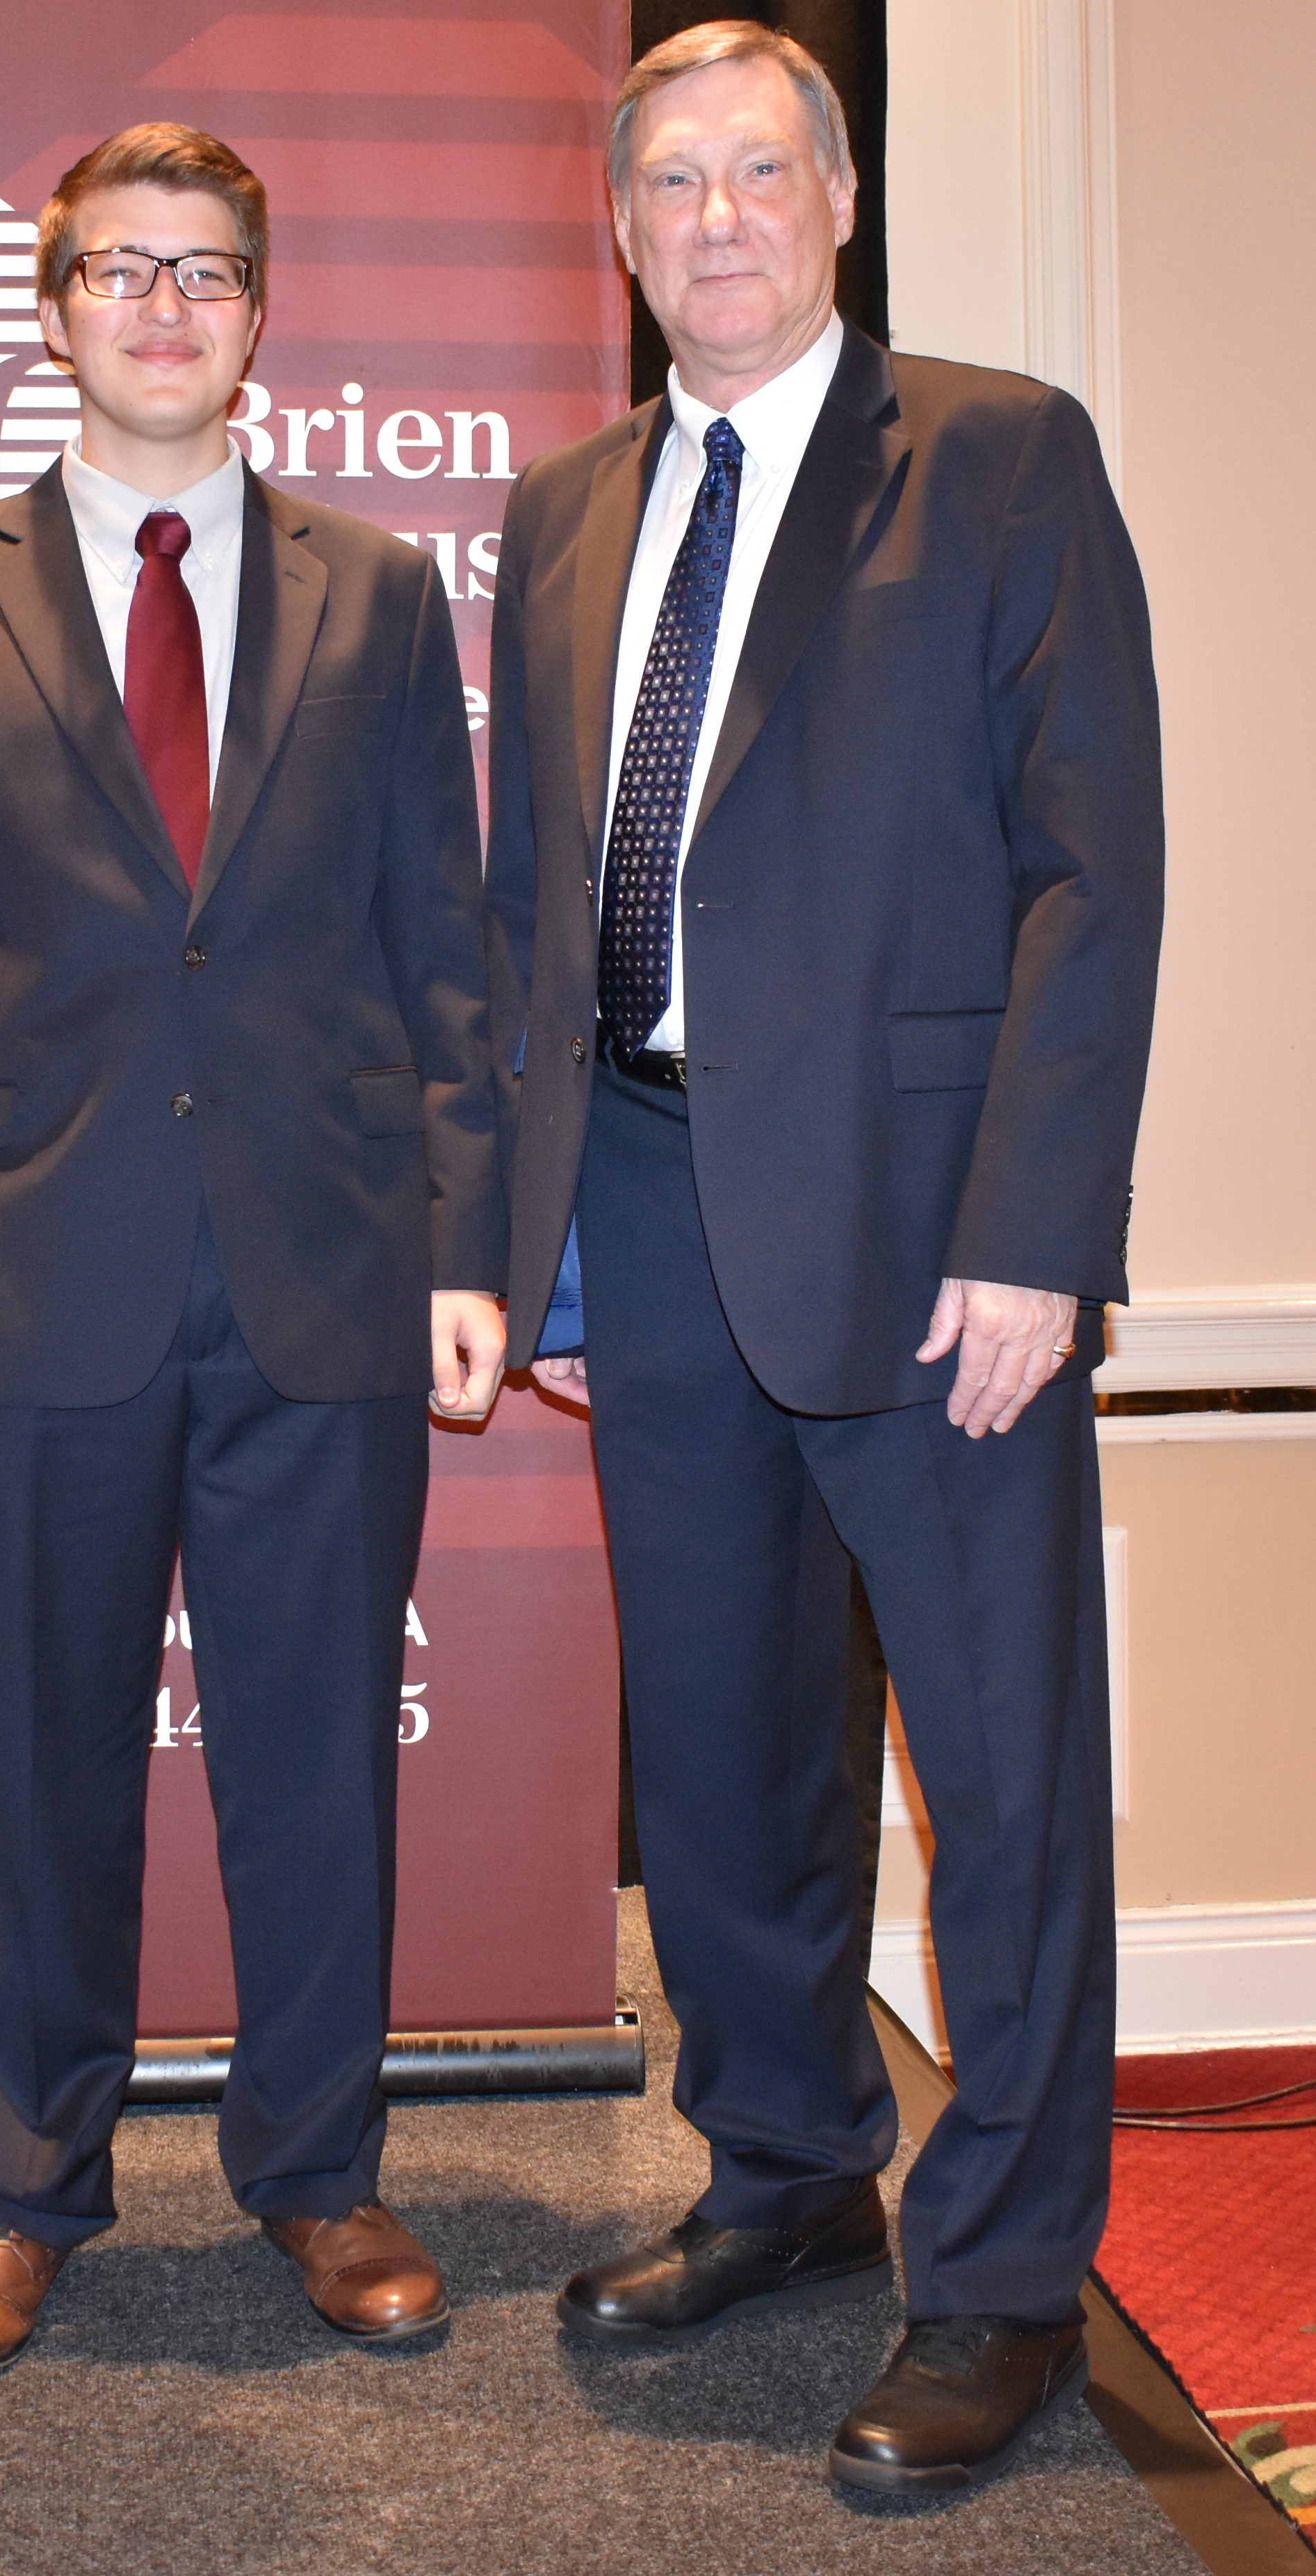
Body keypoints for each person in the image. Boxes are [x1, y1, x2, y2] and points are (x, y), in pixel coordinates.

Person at [485, 24, 1163, 2493]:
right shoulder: (570, 508)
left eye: (761, 171)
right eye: (671, 182)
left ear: (840, 198)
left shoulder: (997, 455)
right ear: (622, 229)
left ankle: (1002, 2278)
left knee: (998, 1773)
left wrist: (1037, 1235)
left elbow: (1094, 870)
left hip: (933, 1237)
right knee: (724, 1750)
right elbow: (534, 900)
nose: (718, 219)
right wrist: (544, 1247)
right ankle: (783, 2166)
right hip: (657, 1214)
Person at [0, 123, 506, 2373]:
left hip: (325, 1266)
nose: (163, 307)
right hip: (33, 1274)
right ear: (53, 313)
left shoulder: (376, 593)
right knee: (45, 1767)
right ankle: (19, 2186)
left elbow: (440, 948)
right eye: (121, 269)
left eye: (205, 272)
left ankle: (322, 2169)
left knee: (318, 1760)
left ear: (257, 314)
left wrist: (466, 1242)